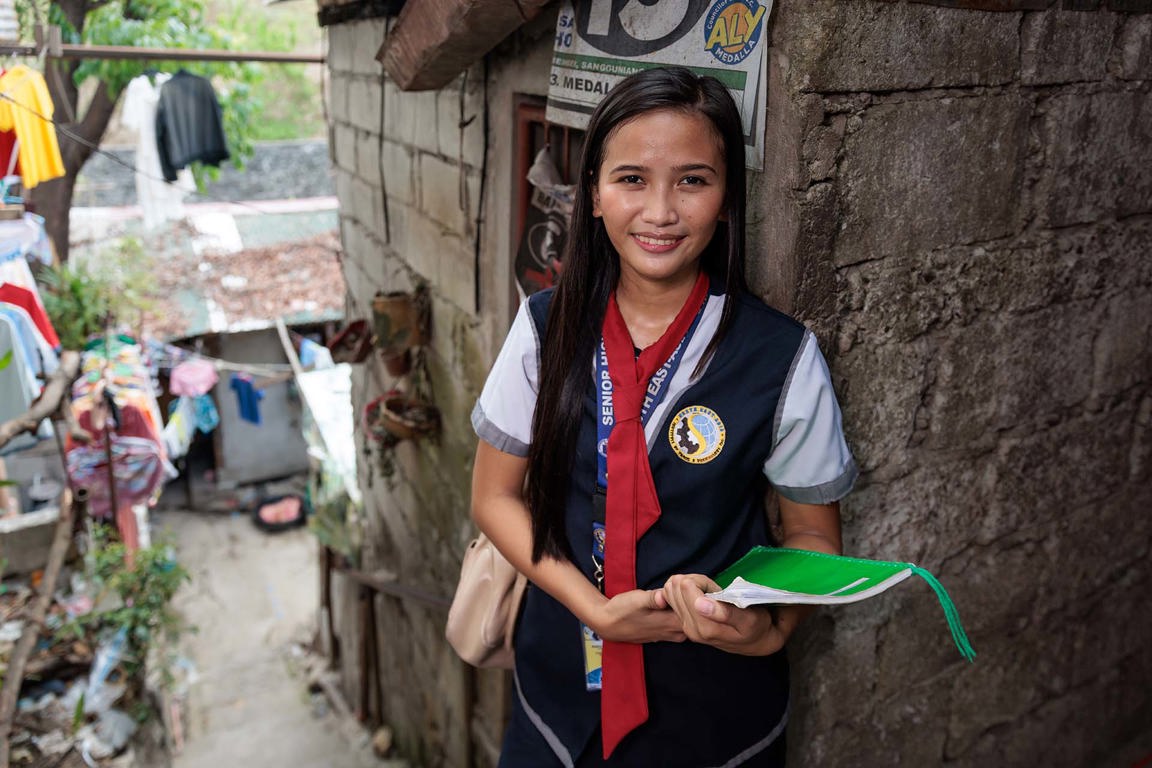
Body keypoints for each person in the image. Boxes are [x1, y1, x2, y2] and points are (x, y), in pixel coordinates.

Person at [470, 66, 857, 767]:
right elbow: (493, 496)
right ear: (593, 194)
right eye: (631, 180)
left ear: (727, 197)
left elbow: (811, 534)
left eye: (692, 180)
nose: (659, 213)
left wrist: (770, 632)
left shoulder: (782, 357)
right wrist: (590, 608)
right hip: (557, 701)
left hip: (717, 715)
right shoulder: (543, 328)